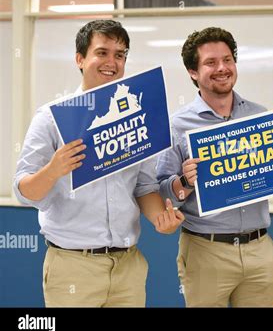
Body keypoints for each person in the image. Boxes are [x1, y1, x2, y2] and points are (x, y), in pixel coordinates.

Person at [13, 20, 184, 307]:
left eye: (120, 55)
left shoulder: (137, 117)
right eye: (102, 53)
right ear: (80, 59)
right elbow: (23, 190)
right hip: (73, 267)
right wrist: (53, 169)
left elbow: (144, 186)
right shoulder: (52, 119)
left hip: (128, 267)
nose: (112, 62)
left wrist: (160, 220)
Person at [156, 27, 273, 307]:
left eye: (227, 60)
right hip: (206, 250)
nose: (222, 68)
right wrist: (185, 181)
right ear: (193, 72)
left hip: (260, 250)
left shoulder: (260, 116)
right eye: (210, 62)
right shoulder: (176, 125)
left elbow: (272, 169)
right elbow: (165, 195)